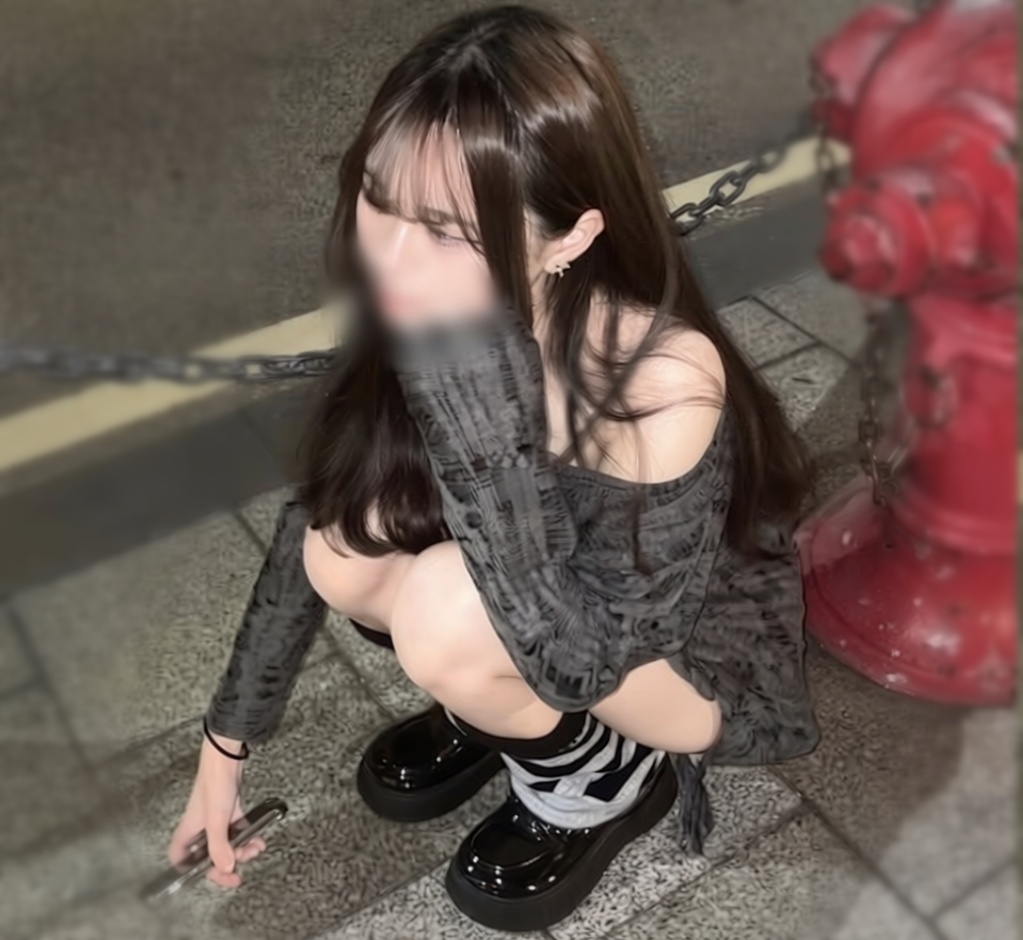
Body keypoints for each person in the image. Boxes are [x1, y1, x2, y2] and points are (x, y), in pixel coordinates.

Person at [168, 5, 820, 932]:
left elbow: (587, 662)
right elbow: (318, 516)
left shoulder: (660, 380)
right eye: (378, 197)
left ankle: (601, 780)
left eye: (447, 230)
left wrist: (477, 411)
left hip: (671, 662)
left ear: (569, 239)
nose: (389, 258)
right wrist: (221, 749)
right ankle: (490, 706)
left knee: (444, 614)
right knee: (344, 542)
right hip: (536, 609)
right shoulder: (436, 303)